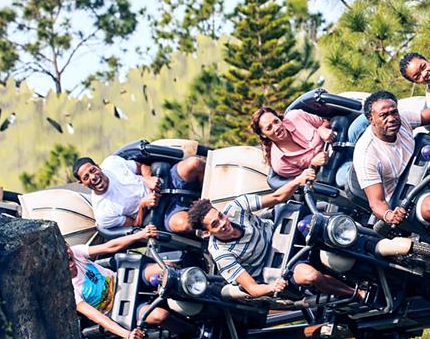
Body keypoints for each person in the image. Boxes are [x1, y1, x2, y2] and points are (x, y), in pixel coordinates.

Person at [186, 169, 359, 300]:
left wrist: (298, 180)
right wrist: (272, 287)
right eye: (216, 225)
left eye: (220, 216)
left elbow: (277, 197)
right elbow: (252, 288)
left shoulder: (235, 208)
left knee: (318, 223)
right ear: (207, 232)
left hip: (284, 235)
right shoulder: (221, 253)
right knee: (310, 276)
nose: (224, 223)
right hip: (276, 266)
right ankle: (356, 294)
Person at [354, 90, 430, 241]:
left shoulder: (403, 119)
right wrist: (389, 215)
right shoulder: (366, 154)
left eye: (394, 112)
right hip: (405, 195)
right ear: (371, 119)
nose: (391, 119)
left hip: (427, 169)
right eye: (383, 115)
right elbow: (377, 202)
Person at [67, 225, 167, 339]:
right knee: (159, 316)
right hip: (121, 308)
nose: (67, 255)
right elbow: (98, 317)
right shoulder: (70, 291)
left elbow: (109, 247)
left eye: (66, 248)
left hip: (125, 282)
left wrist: (140, 235)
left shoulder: (76, 253)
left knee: (165, 267)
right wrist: (127, 334)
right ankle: (188, 334)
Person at [74, 154, 205, 235]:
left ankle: (215, 192)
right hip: (162, 212)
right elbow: (135, 226)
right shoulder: (103, 213)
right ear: (82, 183)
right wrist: (142, 205)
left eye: (93, 170)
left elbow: (141, 166)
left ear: (98, 166)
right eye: (86, 177)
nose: (93, 177)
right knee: (185, 224)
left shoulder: (112, 163)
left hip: (166, 182)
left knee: (194, 163)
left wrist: (148, 179)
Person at [251, 106, 336, 180]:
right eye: (269, 128)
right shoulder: (280, 164)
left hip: (338, 144)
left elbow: (326, 122)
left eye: (276, 121)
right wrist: (313, 164)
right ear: (263, 135)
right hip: (331, 171)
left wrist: (321, 129)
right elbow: (306, 182)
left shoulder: (295, 116)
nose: (276, 127)